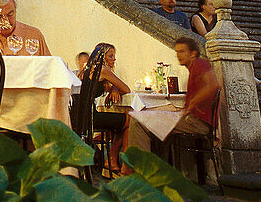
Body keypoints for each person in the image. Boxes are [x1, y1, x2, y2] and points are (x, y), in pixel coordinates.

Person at [127, 37, 218, 156]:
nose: (178, 55)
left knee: (138, 120)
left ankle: (143, 170)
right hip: (193, 120)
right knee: (143, 116)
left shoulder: (199, 63)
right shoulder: (194, 67)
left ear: (193, 53)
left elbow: (213, 85)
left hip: (197, 123)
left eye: (182, 51)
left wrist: (194, 102)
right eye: (177, 52)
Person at [87, 43, 131, 174]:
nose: (114, 59)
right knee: (130, 120)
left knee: (120, 122)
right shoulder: (102, 69)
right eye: (111, 56)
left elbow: (113, 87)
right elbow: (126, 89)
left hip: (83, 117)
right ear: (103, 57)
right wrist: (117, 87)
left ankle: (111, 161)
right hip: (92, 117)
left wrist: (114, 88)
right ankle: (126, 168)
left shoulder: (89, 69)